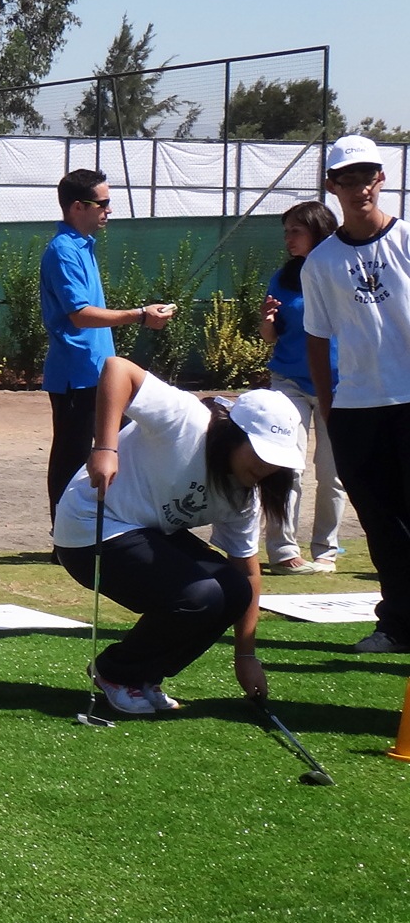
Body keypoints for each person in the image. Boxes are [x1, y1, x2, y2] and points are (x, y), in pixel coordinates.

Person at [54, 356, 302, 715]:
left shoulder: (246, 493)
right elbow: (117, 368)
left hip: (146, 532)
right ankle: (116, 674)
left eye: (276, 459)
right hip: (89, 528)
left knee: (233, 590)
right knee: (199, 594)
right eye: (261, 453)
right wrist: (105, 448)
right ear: (234, 436)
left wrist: (246, 655)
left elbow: (247, 570)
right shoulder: (187, 420)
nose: (267, 467)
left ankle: (145, 676)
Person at [303, 135, 410, 654]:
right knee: (380, 522)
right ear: (332, 187)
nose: (359, 187)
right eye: (348, 178)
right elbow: (317, 339)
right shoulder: (320, 263)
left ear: (382, 179)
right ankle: (397, 623)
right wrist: (329, 406)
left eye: (368, 176)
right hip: (358, 409)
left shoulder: (408, 240)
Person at [40, 168, 176, 524]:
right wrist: (140, 316)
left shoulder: (83, 247)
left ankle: (102, 524)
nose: (108, 210)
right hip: (76, 373)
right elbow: (80, 315)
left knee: (112, 449)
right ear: (77, 207)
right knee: (71, 457)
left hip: (97, 371)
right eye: (103, 203)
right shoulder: (63, 251)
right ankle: (65, 537)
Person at [257, 201, 345, 575]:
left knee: (332, 473)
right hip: (289, 381)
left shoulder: (343, 271)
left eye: (296, 231)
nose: (288, 238)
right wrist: (266, 321)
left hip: (341, 386)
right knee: (284, 465)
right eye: (286, 231)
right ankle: (283, 552)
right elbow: (270, 337)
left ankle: (326, 549)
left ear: (318, 232)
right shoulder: (284, 277)